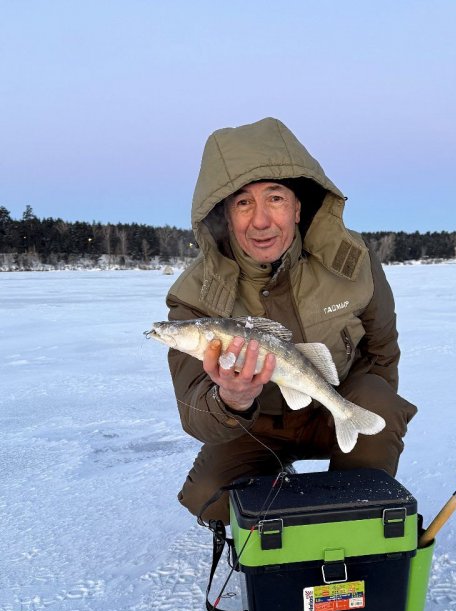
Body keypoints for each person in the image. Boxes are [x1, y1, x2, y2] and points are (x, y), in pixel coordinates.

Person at [166, 117, 417, 524]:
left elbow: (383, 350)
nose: (261, 220)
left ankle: (351, 515)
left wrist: (370, 423)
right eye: (243, 202)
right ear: (225, 216)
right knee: (210, 499)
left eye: (275, 198)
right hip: (257, 425)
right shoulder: (194, 295)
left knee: (379, 409)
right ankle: (273, 481)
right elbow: (193, 407)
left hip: (333, 404)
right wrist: (231, 400)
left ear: (298, 207)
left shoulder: (353, 264)